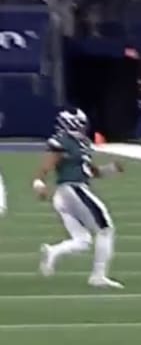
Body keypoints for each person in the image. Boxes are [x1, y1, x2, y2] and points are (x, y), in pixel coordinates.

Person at [35, 108, 125, 288]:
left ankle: (53, 252)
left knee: (82, 241)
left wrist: (111, 169)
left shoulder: (80, 143)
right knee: (105, 229)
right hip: (72, 189)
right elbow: (46, 167)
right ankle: (98, 276)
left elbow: (92, 171)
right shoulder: (63, 141)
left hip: (66, 194)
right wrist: (39, 184)